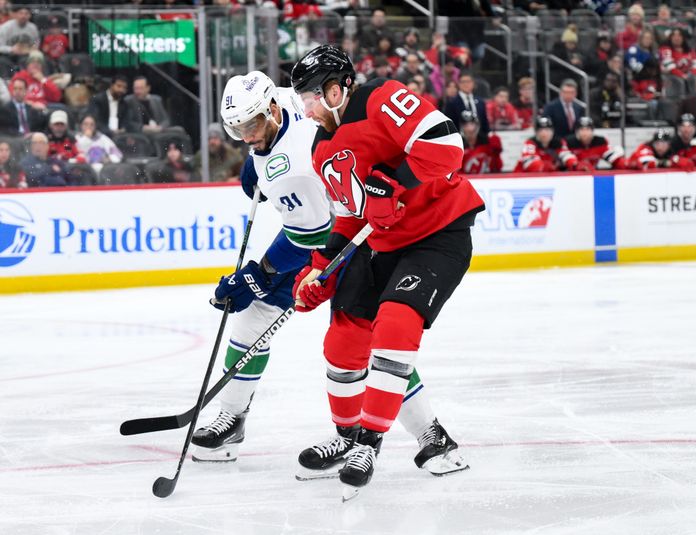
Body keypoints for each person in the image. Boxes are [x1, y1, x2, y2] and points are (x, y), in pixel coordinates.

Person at [192, 70, 470, 482]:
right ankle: (241, 420)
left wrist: (260, 273)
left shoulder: (299, 169)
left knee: (364, 336)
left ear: (270, 110)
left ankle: (420, 434)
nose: (245, 135)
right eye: (237, 129)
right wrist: (258, 157)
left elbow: (313, 233)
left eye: (251, 127)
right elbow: (294, 109)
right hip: (345, 227)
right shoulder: (290, 101)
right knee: (351, 340)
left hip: (340, 239)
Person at [291, 45, 481, 499]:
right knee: (343, 339)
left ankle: (370, 443)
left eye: (313, 97)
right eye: (302, 101)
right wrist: (320, 270)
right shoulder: (322, 149)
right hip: (384, 244)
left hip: (439, 232)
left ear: (337, 89)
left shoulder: (382, 98)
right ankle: (347, 436)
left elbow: (446, 145)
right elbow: (351, 214)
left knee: (395, 322)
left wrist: (393, 182)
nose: (308, 109)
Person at [514, 116, 578, 172]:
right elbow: (528, 162)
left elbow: (566, 155)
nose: (544, 134)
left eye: (547, 130)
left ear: (552, 132)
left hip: (548, 176)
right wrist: (544, 166)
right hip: (524, 178)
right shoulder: (530, 143)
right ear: (536, 133)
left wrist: (574, 164)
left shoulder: (558, 143)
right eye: (541, 130)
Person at [628, 128, 694, 170]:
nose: (660, 148)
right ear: (652, 143)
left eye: (664, 144)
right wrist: (667, 163)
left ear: (669, 145)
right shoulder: (646, 147)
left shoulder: (672, 150)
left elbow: (684, 162)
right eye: (657, 144)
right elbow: (645, 162)